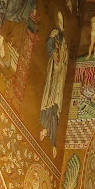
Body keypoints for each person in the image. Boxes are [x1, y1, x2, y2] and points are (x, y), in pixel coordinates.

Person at [40, 11, 68, 158]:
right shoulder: (55, 34)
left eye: (62, 22)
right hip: (53, 79)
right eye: (60, 21)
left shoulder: (64, 45)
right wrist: (55, 53)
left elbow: (64, 58)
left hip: (58, 80)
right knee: (49, 105)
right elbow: (50, 45)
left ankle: (52, 140)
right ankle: (45, 129)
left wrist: (61, 57)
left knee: (55, 108)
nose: (61, 24)